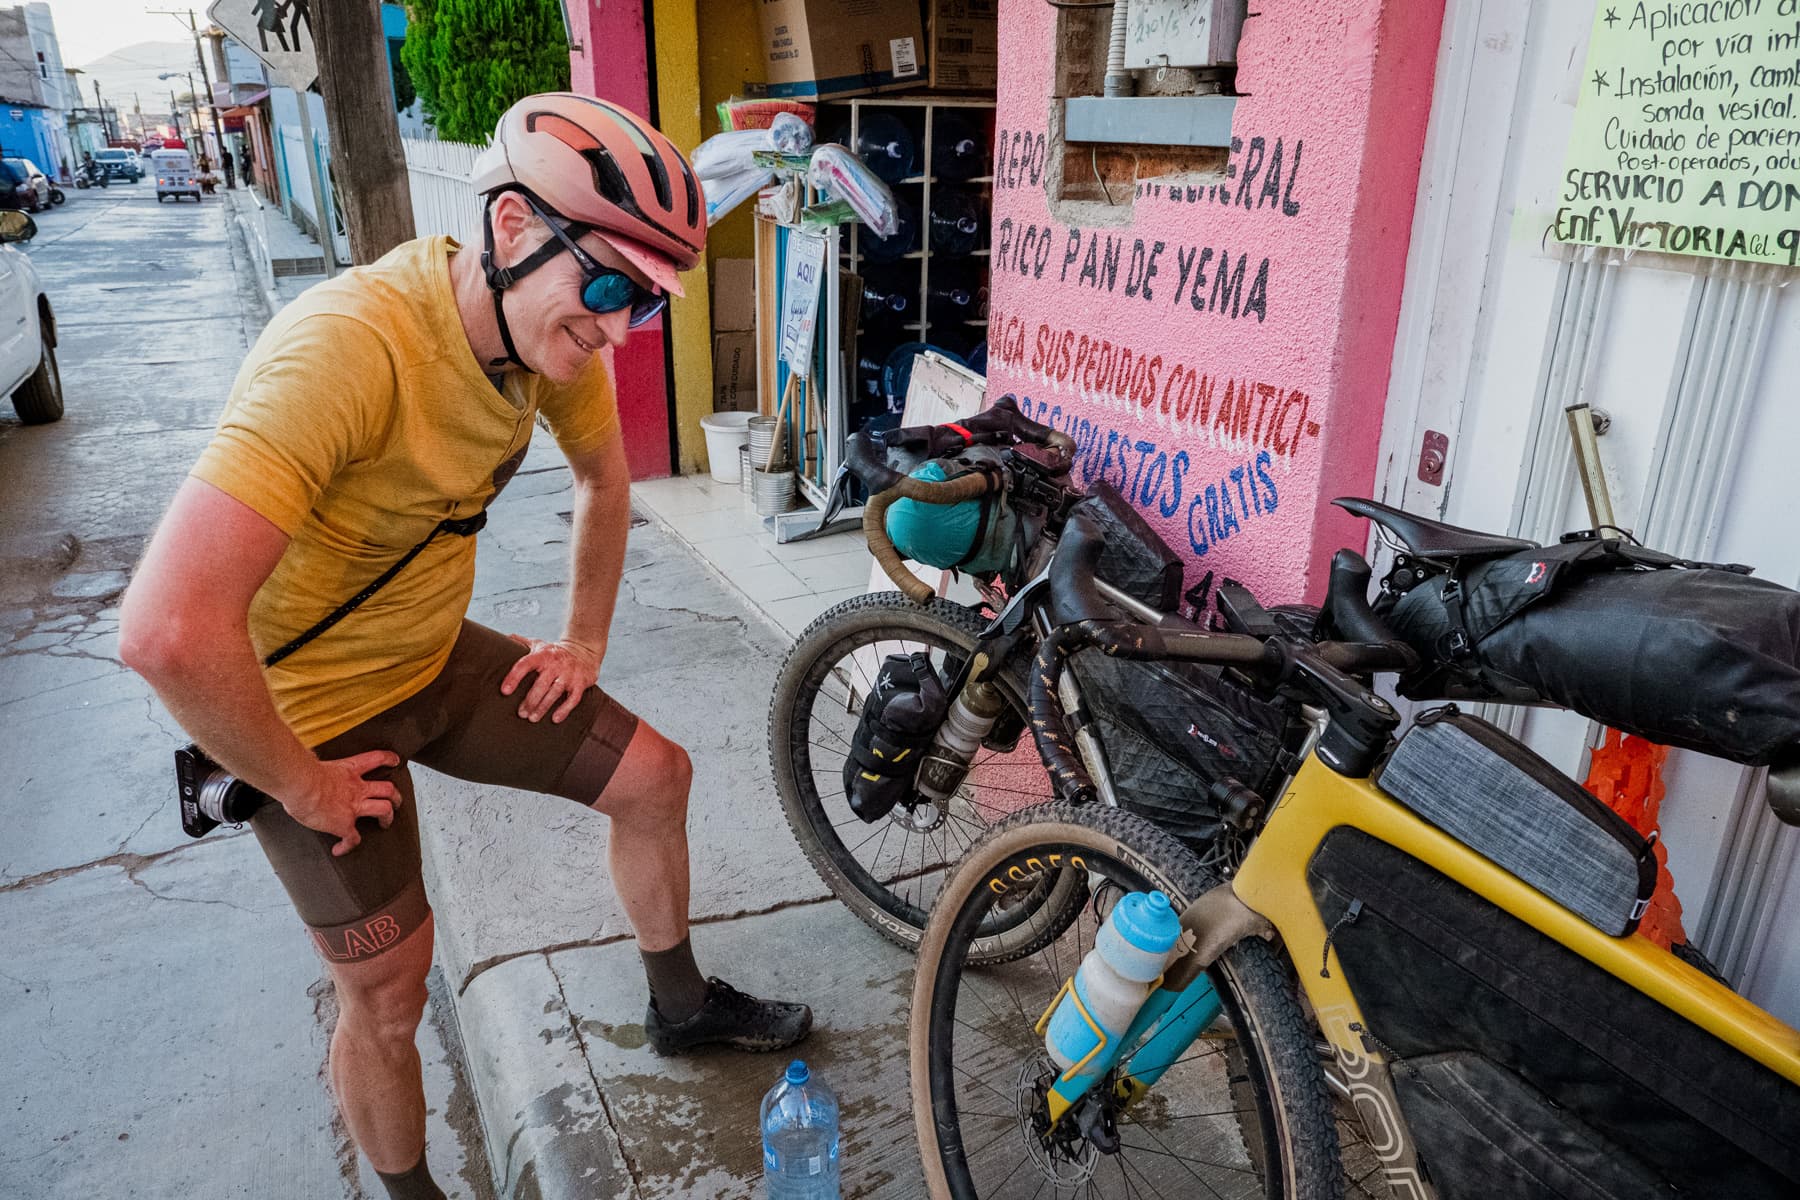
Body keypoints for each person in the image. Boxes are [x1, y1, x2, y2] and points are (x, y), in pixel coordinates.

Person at [119, 94, 811, 1200]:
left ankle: (681, 1007)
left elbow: (604, 483)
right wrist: (298, 787)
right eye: (605, 284)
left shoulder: (547, 346)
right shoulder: (349, 349)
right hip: (305, 712)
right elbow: (163, 632)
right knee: (389, 991)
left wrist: (582, 640)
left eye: (645, 298)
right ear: (510, 229)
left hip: (433, 658)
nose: (619, 327)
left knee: (656, 778)